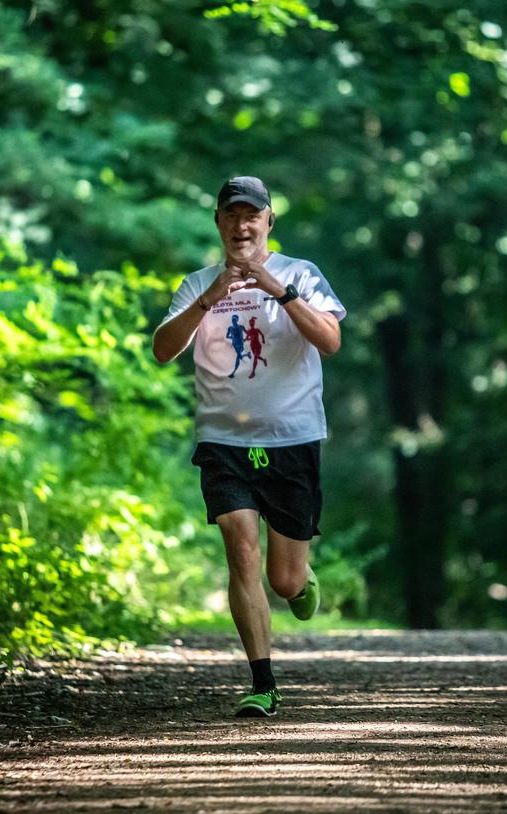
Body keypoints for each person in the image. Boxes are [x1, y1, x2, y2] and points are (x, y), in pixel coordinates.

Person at [153, 176, 346, 718]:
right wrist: (209, 301)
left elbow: (329, 341)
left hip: (292, 438)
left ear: (268, 222)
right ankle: (263, 681)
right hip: (224, 440)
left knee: (282, 579)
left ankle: (299, 577)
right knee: (240, 546)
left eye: (251, 216)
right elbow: (163, 350)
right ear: (218, 222)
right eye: (231, 215)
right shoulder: (197, 284)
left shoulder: (300, 274)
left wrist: (276, 289)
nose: (242, 225)